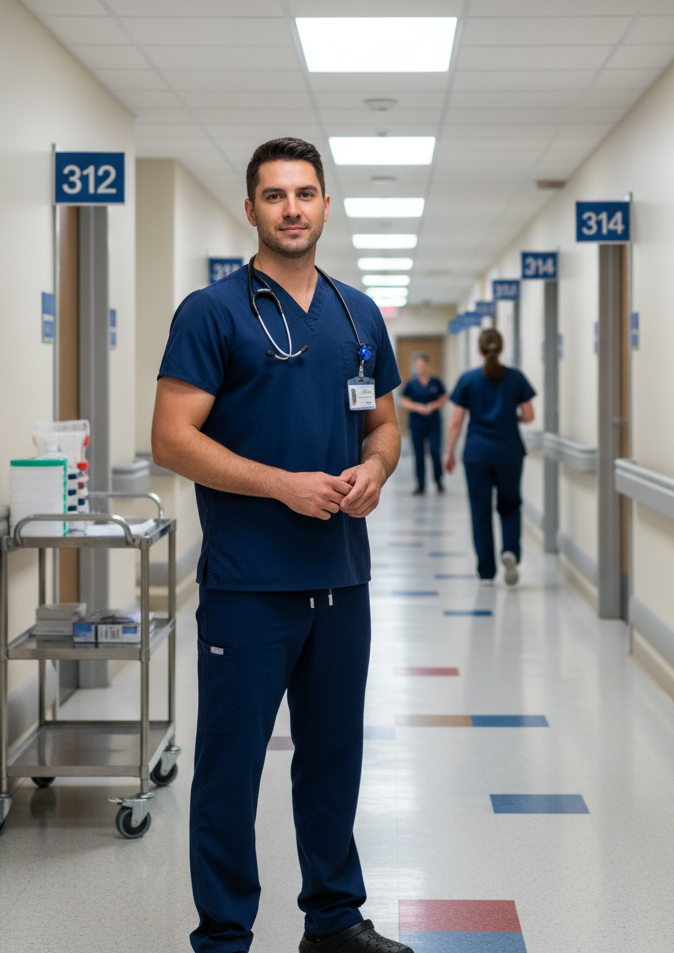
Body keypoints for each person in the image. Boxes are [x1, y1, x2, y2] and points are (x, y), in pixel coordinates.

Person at [151, 137, 409, 953]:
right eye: (275, 195)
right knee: (230, 770)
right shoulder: (213, 312)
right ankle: (225, 936)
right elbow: (171, 438)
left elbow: (385, 424)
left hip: (341, 580)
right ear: (253, 208)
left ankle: (333, 918)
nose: (291, 209)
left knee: (333, 759)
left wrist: (376, 467)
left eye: (305, 194)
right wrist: (280, 484)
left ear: (326, 205)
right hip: (247, 585)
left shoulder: (357, 314)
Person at [443, 328, 535, 586]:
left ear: (479, 350)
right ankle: (510, 552)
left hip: (477, 455)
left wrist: (448, 452)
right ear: (501, 348)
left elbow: (456, 421)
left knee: (480, 511)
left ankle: (486, 571)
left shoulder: (469, 379)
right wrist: (510, 416)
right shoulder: (515, 378)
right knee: (510, 506)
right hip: (510, 453)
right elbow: (529, 415)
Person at [399, 353, 447, 495]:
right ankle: (420, 485)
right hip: (417, 423)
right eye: (418, 366)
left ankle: (438, 481)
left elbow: (443, 397)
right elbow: (403, 401)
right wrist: (417, 407)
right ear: (415, 367)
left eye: (423, 365)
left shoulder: (436, 382)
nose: (421, 368)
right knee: (418, 455)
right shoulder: (411, 384)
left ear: (428, 366)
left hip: (433, 422)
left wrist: (433, 405)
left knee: (435, 451)